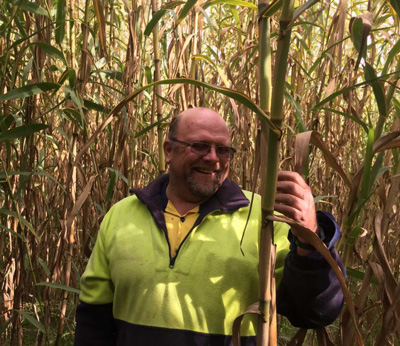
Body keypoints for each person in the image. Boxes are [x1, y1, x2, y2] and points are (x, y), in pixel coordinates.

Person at [74, 107, 344, 346]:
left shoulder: (263, 219)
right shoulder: (122, 216)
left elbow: (316, 311)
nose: (213, 158)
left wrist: (309, 238)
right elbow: (94, 320)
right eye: (200, 146)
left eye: (223, 149)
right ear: (168, 150)